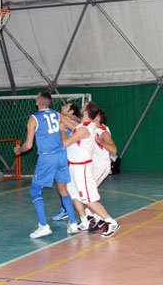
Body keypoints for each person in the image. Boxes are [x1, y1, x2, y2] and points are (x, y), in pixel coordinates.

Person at [14, 92, 78, 238]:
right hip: (61, 155)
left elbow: (28, 145)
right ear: (49, 103)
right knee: (63, 189)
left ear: (37, 101)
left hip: (47, 157)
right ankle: (73, 223)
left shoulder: (33, 118)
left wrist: (19, 150)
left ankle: (43, 226)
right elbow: (75, 128)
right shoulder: (58, 115)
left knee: (35, 191)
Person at [60, 101, 120, 238]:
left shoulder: (88, 129)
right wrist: (66, 116)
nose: (81, 107)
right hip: (75, 166)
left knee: (87, 198)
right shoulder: (88, 125)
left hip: (86, 167)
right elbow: (79, 121)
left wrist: (62, 129)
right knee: (73, 194)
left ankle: (110, 222)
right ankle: (86, 220)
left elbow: (65, 143)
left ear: (87, 112)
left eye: (84, 106)